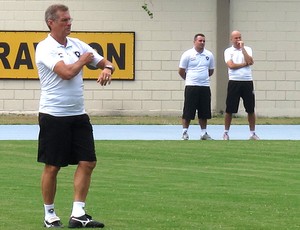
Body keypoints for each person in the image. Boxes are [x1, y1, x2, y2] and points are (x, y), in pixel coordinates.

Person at [35, 4, 114, 228]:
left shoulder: (77, 44)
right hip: (54, 114)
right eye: (64, 20)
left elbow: (104, 61)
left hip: (78, 114)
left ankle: (78, 214)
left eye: (70, 19)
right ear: (51, 22)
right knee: (53, 165)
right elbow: (67, 73)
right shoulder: (45, 48)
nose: (69, 23)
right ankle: (49, 214)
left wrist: (107, 68)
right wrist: (83, 60)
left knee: (88, 162)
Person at [223, 30, 259, 140]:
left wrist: (243, 49)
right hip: (234, 81)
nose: (238, 40)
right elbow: (231, 65)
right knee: (230, 109)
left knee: (250, 109)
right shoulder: (228, 51)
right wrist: (244, 64)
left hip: (247, 81)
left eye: (239, 37)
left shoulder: (247, 49)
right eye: (236, 38)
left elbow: (251, 61)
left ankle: (252, 133)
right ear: (231, 39)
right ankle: (226, 132)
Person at [178, 33, 215, 140]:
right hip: (191, 86)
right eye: (200, 41)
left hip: (204, 86)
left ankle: (203, 133)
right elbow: (181, 71)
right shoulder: (187, 54)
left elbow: (211, 71)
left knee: (204, 111)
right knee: (188, 111)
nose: (202, 43)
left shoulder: (209, 55)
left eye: (204, 41)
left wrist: (202, 78)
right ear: (194, 42)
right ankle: (185, 132)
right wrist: (189, 78)